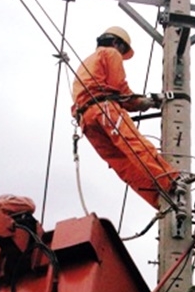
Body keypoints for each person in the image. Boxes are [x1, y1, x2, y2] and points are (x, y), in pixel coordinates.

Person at [71, 26, 179, 209]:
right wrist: (143, 103)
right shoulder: (110, 53)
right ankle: (172, 181)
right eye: (122, 50)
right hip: (104, 109)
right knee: (133, 144)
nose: (121, 55)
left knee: (122, 163)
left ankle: (160, 199)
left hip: (86, 121)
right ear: (116, 43)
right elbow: (119, 88)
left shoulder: (86, 63)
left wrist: (138, 103)